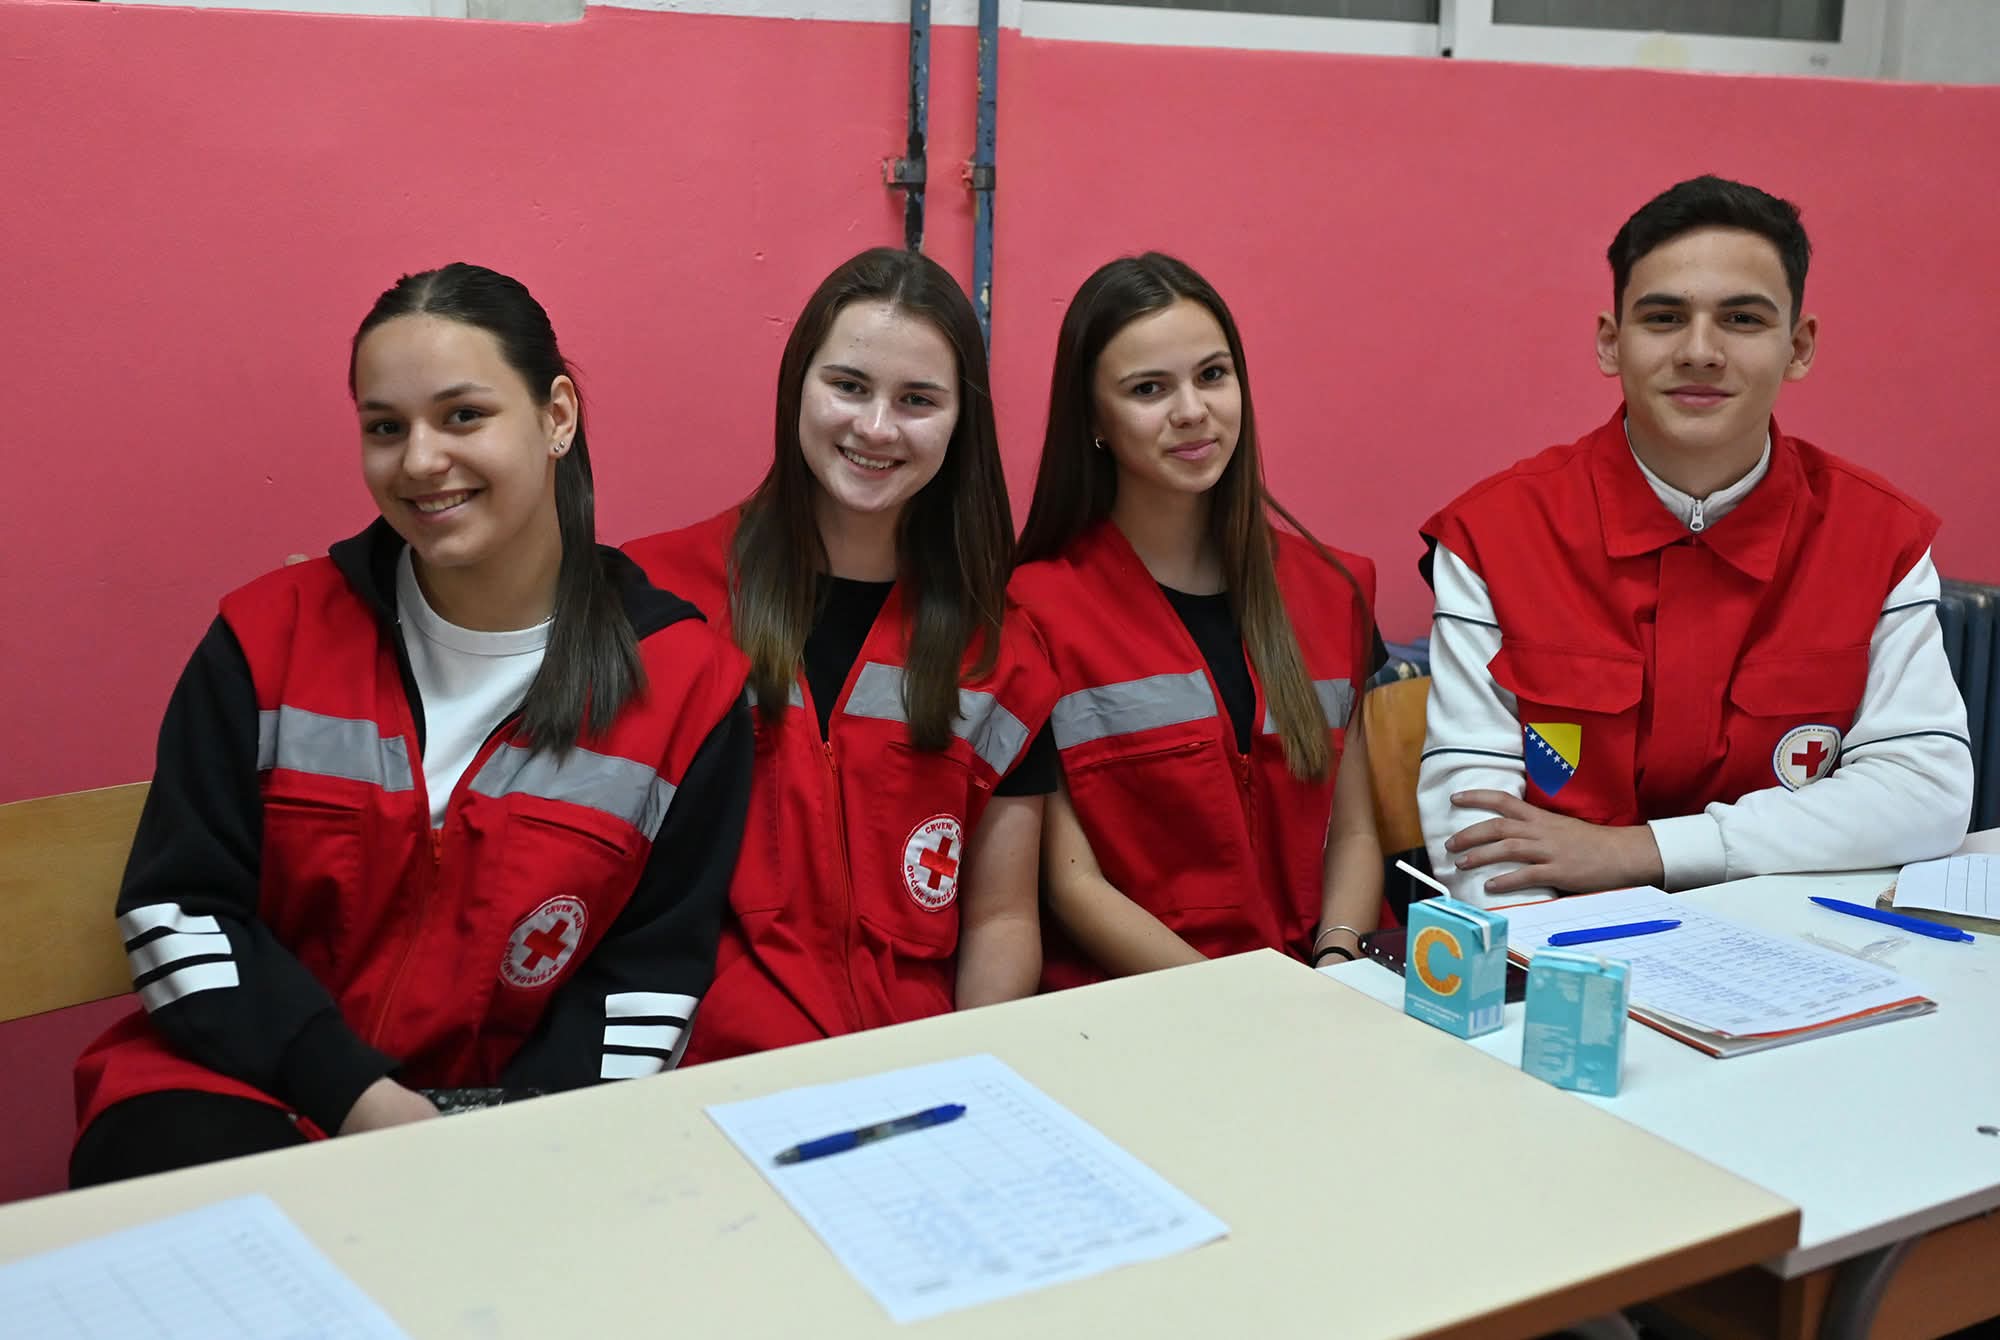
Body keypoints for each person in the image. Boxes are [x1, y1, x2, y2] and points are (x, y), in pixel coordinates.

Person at [71, 263, 753, 1185]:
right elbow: (180, 911)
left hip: (513, 1121)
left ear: (556, 416)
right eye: (386, 428)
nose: (420, 461)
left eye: (462, 415)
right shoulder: (265, 638)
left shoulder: (687, 684)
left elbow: (649, 978)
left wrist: (516, 1140)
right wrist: (359, 1098)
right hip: (243, 1090)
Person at [1418, 176, 1973, 907]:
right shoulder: (1494, 535)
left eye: (1741, 319)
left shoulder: (1878, 536)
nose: (1700, 351)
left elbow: (1925, 791)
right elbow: (1478, 833)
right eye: (1664, 318)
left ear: (1798, 346)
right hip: (1569, 943)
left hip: (1799, 938)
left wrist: (1642, 852)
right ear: (1611, 343)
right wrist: (1567, 964)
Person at [625, 247, 1058, 1062]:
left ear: (960, 422)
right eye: (849, 386)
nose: (877, 428)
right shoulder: (656, 601)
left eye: (917, 399)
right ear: (798, 386)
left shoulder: (1001, 652)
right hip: (708, 1074)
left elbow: (1001, 919)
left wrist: (967, 1074)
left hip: (911, 1075)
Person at [1010, 252, 1384, 988]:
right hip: (1138, 1006)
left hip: (1320, 990)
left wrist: (1336, 962)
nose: (1191, 410)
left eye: (1212, 375)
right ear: (1093, 418)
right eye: (1149, 389)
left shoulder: (1330, 588)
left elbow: (1355, 833)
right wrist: (1241, 1000)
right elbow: (1072, 883)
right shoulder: (1031, 612)